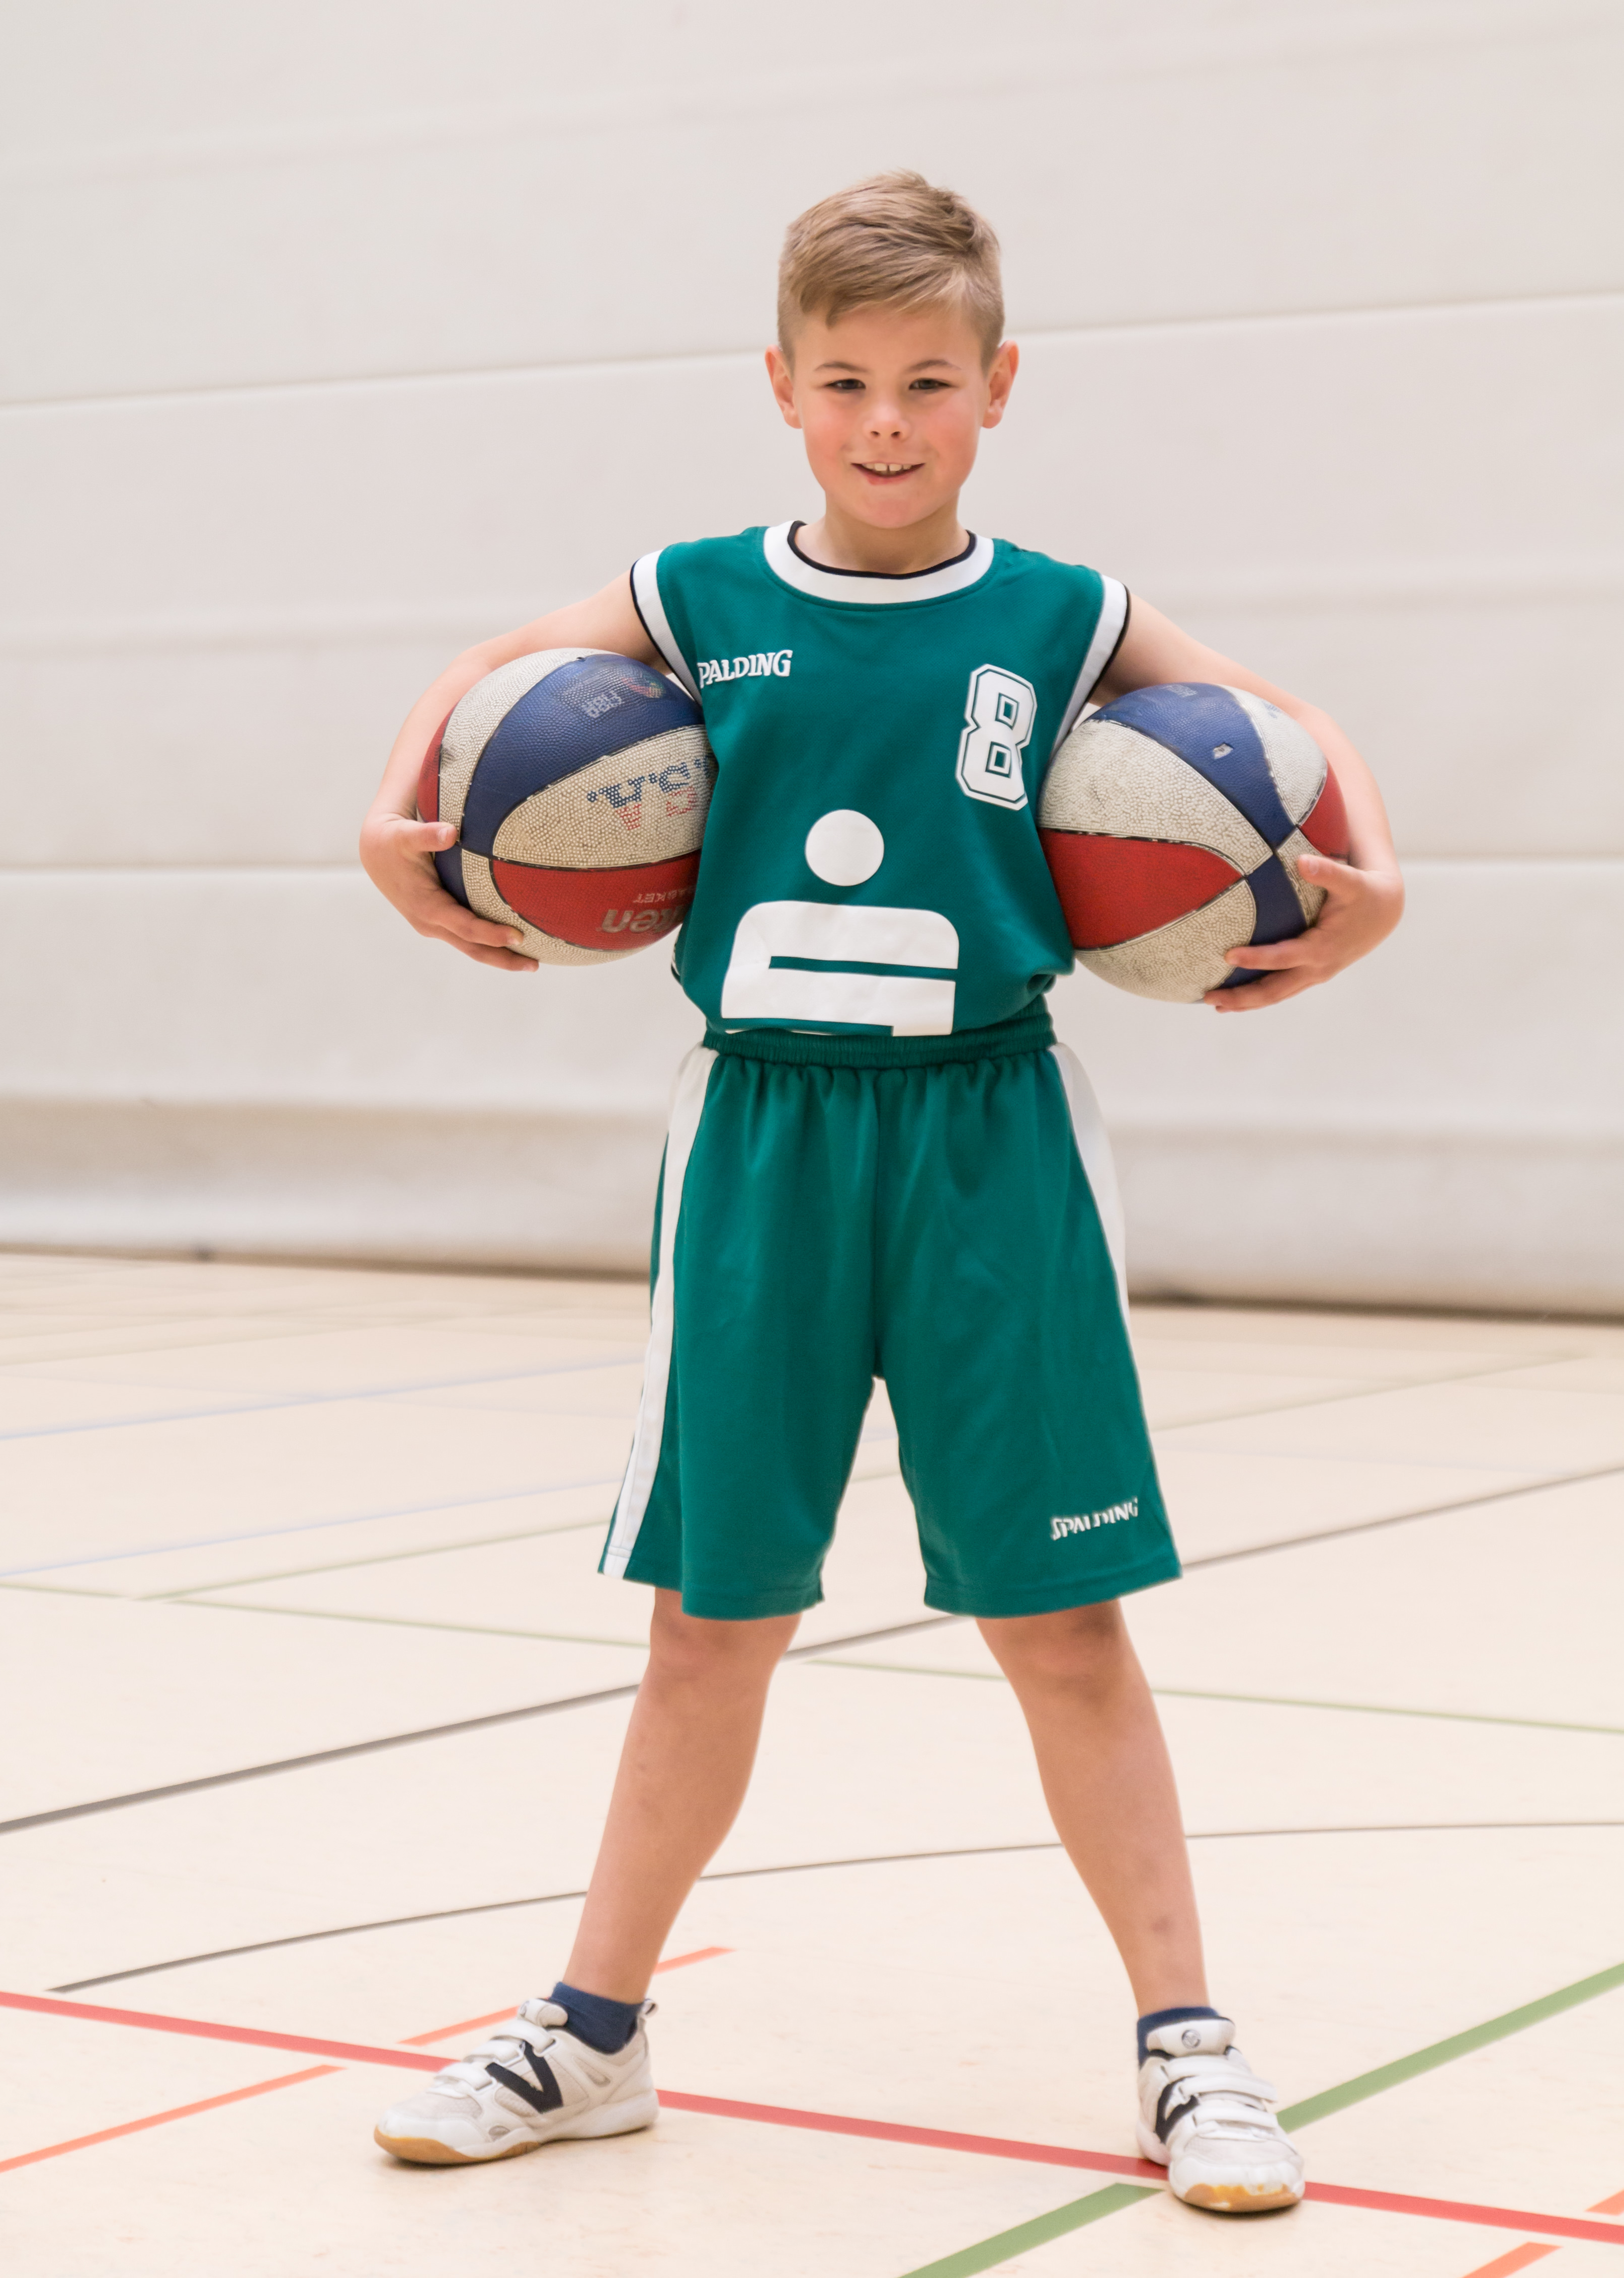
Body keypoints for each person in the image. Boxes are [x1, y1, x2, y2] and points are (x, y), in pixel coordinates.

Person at [359, 172, 1403, 2212]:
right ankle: (595, 2030)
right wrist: (394, 831)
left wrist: (1378, 888)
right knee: (708, 1621)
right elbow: (486, 670)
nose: (887, 420)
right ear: (781, 385)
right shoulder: (694, 595)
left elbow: (1289, 733)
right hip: (761, 1138)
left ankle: (1188, 2046)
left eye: (929, 380)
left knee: (1062, 1621)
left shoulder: (1064, 614)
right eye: (845, 382)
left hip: (988, 1137)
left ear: (1000, 386)